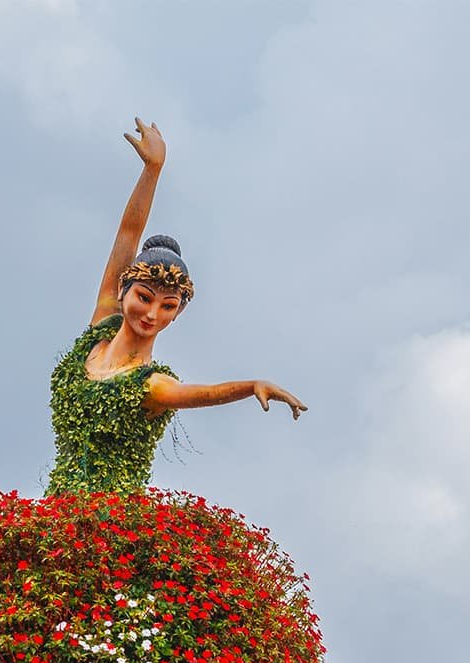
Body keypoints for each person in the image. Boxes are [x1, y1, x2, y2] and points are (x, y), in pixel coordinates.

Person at [49, 118, 306, 494]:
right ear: (123, 291)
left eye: (167, 306)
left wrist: (252, 386)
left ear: (177, 312)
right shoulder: (101, 327)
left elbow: (204, 393)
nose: (151, 314)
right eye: (144, 298)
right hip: (60, 513)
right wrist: (152, 171)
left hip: (109, 523)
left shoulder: (153, 386)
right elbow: (128, 234)